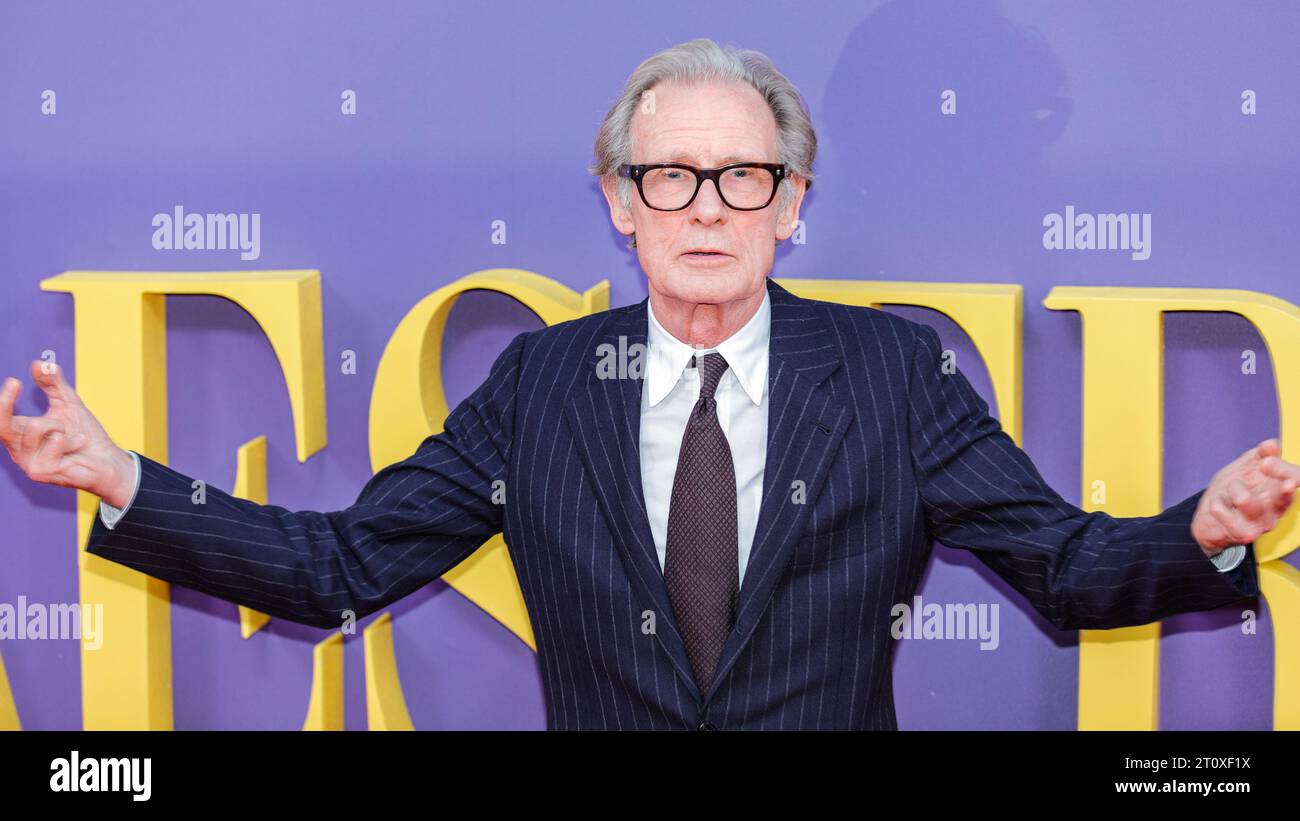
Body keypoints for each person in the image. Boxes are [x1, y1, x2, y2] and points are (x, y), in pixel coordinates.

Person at [3, 39, 1295, 730]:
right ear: (622, 202)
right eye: (669, 176)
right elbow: (341, 564)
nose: (707, 207)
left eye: (744, 177)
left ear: (792, 205)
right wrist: (118, 475)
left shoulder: (896, 376)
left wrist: (1204, 527)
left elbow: (1066, 566)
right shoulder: (543, 384)